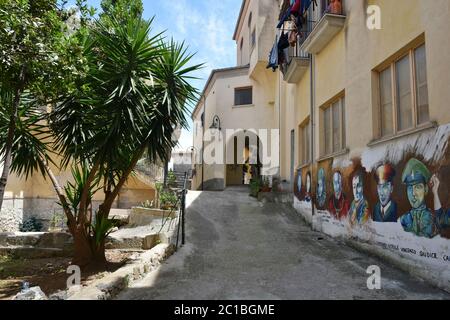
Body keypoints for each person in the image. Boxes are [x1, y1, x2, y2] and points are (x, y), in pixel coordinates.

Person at [400, 158, 437, 238]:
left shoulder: (433, 219)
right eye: (410, 188)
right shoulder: (403, 219)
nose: (413, 194)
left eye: (418, 187)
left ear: (426, 189)